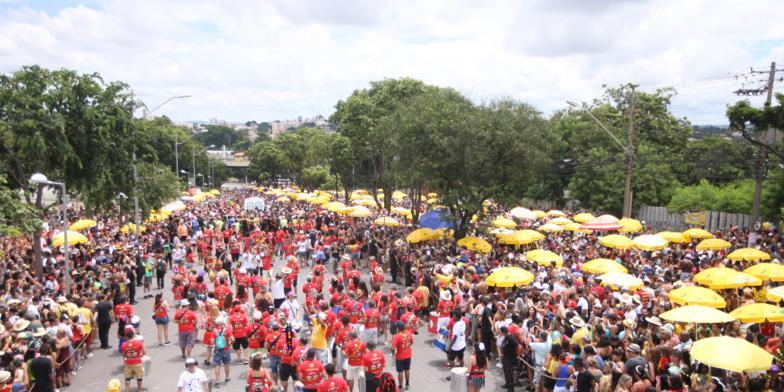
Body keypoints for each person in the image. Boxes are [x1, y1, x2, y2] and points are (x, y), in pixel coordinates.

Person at [390, 321, 413, 391]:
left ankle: (400, 386)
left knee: (400, 372)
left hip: (400, 357)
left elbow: (392, 348)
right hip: (408, 355)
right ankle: (407, 384)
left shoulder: (397, 336)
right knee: (407, 370)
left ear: (398, 328)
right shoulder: (409, 334)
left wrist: (393, 354)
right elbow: (411, 342)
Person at [213, 317, 233, 385]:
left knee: (217, 365)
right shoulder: (227, 330)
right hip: (225, 349)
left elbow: (212, 341)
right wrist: (229, 344)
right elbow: (233, 339)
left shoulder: (214, 331)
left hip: (217, 350)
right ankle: (227, 377)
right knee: (226, 364)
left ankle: (217, 380)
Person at [499, 326, 520, 392]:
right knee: (506, 372)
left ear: (503, 332)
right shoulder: (506, 337)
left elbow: (518, 346)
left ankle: (511, 389)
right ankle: (507, 384)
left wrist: (518, 355)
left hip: (510, 358)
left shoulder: (511, 338)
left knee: (509, 374)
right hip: (505, 357)